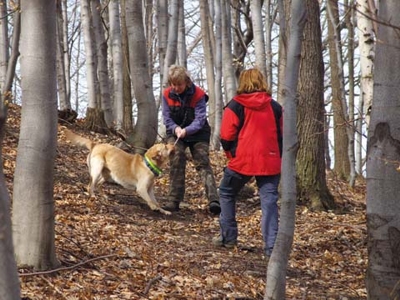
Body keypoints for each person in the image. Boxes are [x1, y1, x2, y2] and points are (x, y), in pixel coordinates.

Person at [212, 68, 282, 259]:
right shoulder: (275, 107)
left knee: (226, 192)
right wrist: (278, 157)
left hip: (242, 161)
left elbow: (226, 136)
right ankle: (271, 248)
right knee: (269, 202)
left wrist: (230, 155)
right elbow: (282, 136)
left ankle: (229, 237)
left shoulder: (235, 105)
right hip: (270, 161)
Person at [162, 64, 221, 214]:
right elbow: (167, 118)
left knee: (202, 162)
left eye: (179, 84)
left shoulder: (199, 95)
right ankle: (173, 200)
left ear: (187, 82)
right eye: (173, 84)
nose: (175, 88)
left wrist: (187, 131)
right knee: (176, 158)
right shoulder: (166, 94)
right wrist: (176, 129)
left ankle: (214, 200)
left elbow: (200, 119)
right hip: (175, 132)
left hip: (198, 133)